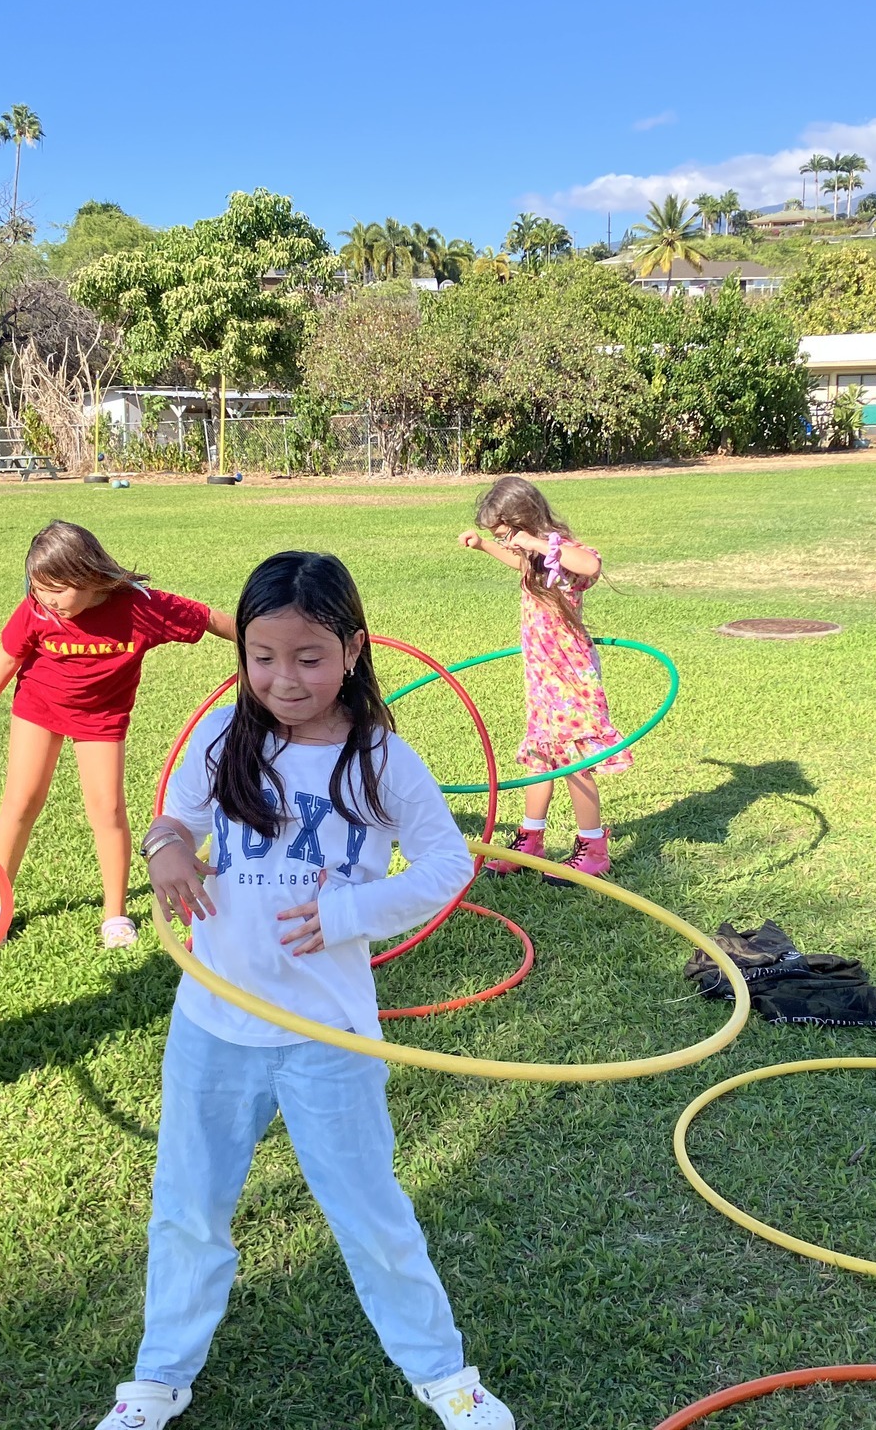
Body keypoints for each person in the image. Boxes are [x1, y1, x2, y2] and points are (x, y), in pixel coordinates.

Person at [95, 551, 513, 1430]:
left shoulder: (381, 758)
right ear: (242, 653)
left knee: (370, 1213)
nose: (284, 679)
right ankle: (158, 1379)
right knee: (189, 1209)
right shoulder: (223, 738)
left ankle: (445, 1376)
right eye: (263, 657)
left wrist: (350, 911)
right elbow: (177, 820)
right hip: (215, 1025)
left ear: (354, 650)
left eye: (310, 658)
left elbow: (445, 863)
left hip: (328, 1034)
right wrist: (165, 850)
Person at [0, 520, 233, 947]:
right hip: (38, 708)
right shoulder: (37, 609)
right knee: (20, 802)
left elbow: (211, 619)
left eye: (58, 589)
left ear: (89, 576)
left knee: (108, 811)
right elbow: (6, 659)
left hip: (101, 719)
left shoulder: (141, 608)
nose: (47, 599)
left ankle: (115, 914)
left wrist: (263, 651)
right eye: (38, 588)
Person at [458, 475, 627, 883]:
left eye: (504, 534)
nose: (506, 543)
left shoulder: (558, 551)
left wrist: (536, 543)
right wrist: (485, 547)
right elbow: (521, 563)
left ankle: (593, 850)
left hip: (570, 678)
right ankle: (530, 841)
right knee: (540, 757)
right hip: (542, 677)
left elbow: (591, 564)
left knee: (573, 761)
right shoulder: (534, 558)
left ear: (524, 520)